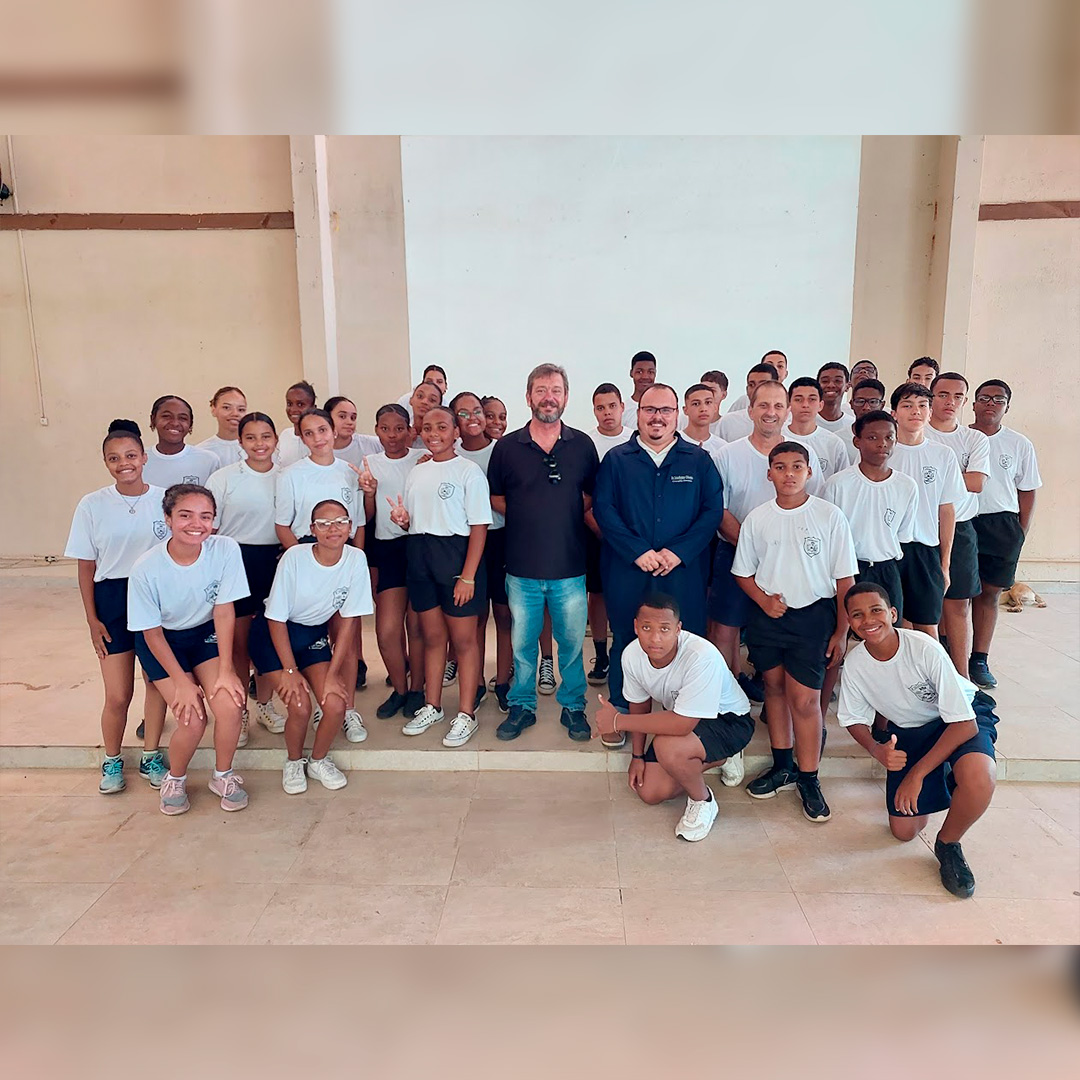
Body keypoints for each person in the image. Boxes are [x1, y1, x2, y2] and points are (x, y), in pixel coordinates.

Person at [839, 582, 998, 897]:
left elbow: (964, 725)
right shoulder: (856, 665)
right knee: (904, 831)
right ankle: (945, 771)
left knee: (980, 778)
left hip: (959, 716)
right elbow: (852, 718)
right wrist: (876, 749)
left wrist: (917, 774)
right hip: (912, 729)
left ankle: (949, 844)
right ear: (849, 622)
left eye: (875, 610)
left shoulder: (923, 647)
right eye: (857, 615)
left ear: (892, 613)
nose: (868, 620)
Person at [593, 384, 726, 761]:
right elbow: (604, 509)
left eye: (665, 410)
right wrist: (637, 551)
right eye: (650, 410)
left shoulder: (698, 461)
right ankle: (620, 711)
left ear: (677, 414)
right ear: (637, 413)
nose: (657, 417)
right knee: (626, 637)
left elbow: (711, 512)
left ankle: (684, 714)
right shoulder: (617, 460)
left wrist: (677, 552)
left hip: (682, 570)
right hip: (628, 568)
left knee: (685, 640)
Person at [733, 442, 857, 821]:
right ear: (769, 473)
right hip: (769, 617)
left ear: (809, 471)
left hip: (813, 618)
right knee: (773, 688)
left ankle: (809, 777)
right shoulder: (758, 518)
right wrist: (764, 600)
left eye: (797, 466)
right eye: (781, 467)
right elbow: (743, 572)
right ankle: (783, 765)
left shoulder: (829, 516)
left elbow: (845, 580)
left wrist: (841, 631)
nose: (789, 474)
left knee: (804, 701)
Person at [488, 363, 599, 741]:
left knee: (571, 645)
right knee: (522, 646)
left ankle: (574, 707)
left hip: (569, 567)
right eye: (541, 390)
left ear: (566, 397)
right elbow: (496, 496)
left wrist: (558, 512)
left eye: (555, 390)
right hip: (521, 569)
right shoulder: (507, 448)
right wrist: (529, 514)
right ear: (528, 397)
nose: (548, 397)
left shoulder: (582, 446)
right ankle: (522, 706)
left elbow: (591, 495)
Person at [127, 484, 250, 815]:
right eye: (185, 515)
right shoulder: (146, 568)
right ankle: (175, 778)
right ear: (167, 518)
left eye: (205, 516)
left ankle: (223, 776)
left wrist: (226, 669)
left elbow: (224, 611)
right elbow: (151, 633)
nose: (196, 524)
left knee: (230, 705)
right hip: (163, 643)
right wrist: (182, 682)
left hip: (203, 636)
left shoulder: (225, 550)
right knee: (192, 718)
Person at [591, 594, 754, 841]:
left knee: (667, 747)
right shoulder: (632, 655)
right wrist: (637, 756)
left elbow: (682, 724)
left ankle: (703, 801)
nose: (655, 638)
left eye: (664, 629)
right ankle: (717, 758)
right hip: (686, 717)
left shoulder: (701, 655)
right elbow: (639, 704)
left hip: (730, 721)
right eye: (647, 628)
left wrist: (617, 721)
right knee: (650, 791)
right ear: (636, 626)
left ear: (678, 629)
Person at [65, 420, 169, 794]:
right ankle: (111, 760)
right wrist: (92, 619)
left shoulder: (165, 499)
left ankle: (151, 755)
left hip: (155, 597)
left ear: (144, 458)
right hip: (112, 599)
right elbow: (86, 567)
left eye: (130, 455)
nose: (124, 463)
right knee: (118, 693)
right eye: (114, 458)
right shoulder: (92, 505)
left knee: (156, 683)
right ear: (106, 463)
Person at [250, 499, 374, 794]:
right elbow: (276, 619)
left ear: (350, 526)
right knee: (300, 706)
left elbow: (348, 621)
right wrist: (290, 671)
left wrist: (332, 674)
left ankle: (318, 760)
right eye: (324, 524)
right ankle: (294, 761)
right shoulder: (295, 557)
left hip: (311, 635)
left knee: (335, 703)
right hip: (273, 636)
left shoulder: (356, 559)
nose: (333, 529)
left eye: (340, 522)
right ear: (312, 530)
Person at [707, 381, 826, 675]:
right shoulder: (726, 455)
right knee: (725, 628)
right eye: (763, 405)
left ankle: (770, 688)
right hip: (734, 551)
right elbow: (719, 509)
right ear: (750, 410)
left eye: (777, 406)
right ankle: (728, 693)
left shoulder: (804, 454)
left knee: (778, 627)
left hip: (791, 557)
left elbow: (816, 506)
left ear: (787, 411)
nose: (770, 412)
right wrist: (751, 548)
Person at [390, 406, 491, 747]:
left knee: (463, 641)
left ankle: (466, 713)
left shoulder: (468, 472)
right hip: (420, 558)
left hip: (456, 559)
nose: (434, 433)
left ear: (456, 432)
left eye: (442, 427)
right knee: (433, 637)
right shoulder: (417, 471)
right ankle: (432, 705)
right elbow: (419, 518)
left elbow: (479, 526)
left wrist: (468, 576)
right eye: (428, 427)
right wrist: (404, 520)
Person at [274, 406, 367, 741]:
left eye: (323, 430)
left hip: (343, 554)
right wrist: (305, 560)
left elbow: (358, 523)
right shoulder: (291, 475)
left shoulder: (349, 472)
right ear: (301, 438)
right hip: (307, 554)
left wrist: (354, 561)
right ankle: (320, 702)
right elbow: (282, 525)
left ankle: (349, 708)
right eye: (309, 433)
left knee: (347, 637)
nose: (318, 438)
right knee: (312, 635)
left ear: (334, 431)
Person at [206, 412, 287, 743]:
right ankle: (239, 712)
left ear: (276, 440)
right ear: (240, 442)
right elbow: (210, 530)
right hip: (235, 562)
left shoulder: (288, 477)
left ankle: (265, 703)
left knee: (266, 639)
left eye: (266, 436)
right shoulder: (223, 479)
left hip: (275, 561)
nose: (259, 444)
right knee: (238, 643)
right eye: (251, 437)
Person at [968, 380, 1042, 689]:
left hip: (1001, 525)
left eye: (998, 399)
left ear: (1007, 407)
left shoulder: (1019, 444)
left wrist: (1019, 532)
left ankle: (979, 659)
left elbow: (1028, 490)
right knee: (955, 595)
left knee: (990, 593)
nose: (991, 404)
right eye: (984, 398)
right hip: (963, 521)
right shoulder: (961, 438)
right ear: (973, 403)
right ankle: (948, 654)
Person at [355, 404, 427, 719]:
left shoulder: (422, 459)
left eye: (399, 428)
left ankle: (418, 689)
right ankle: (399, 688)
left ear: (410, 430)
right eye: (385, 429)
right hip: (387, 549)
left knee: (418, 625)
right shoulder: (369, 464)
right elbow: (367, 516)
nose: (393, 435)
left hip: (419, 546)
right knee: (386, 631)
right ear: (377, 431)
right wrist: (369, 493)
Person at [450, 391, 513, 713]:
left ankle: (502, 682)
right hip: (465, 543)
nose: (472, 418)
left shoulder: (502, 451)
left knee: (503, 614)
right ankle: (474, 683)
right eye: (463, 413)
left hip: (501, 539)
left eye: (477, 411)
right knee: (474, 617)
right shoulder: (450, 455)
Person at [925, 372, 992, 676]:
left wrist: (933, 476)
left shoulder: (974, 439)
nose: (949, 402)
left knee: (957, 603)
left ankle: (962, 676)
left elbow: (976, 482)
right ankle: (925, 672)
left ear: (965, 401)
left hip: (961, 527)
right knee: (920, 606)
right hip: (921, 528)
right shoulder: (918, 432)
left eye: (957, 396)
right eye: (943, 395)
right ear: (931, 396)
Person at [889, 382, 966, 640]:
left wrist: (945, 563)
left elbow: (947, 511)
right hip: (889, 549)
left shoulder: (943, 455)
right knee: (895, 625)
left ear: (930, 412)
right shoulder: (882, 452)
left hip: (925, 549)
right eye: (907, 405)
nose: (916, 411)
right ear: (894, 412)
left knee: (927, 625)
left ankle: (932, 668)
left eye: (923, 405)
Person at [823, 411, 918, 621]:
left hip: (887, 569)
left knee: (888, 629)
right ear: (857, 441)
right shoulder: (838, 484)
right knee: (845, 628)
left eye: (889, 437)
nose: (882, 444)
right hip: (848, 569)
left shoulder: (907, 486)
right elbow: (827, 536)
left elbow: (903, 535)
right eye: (872, 437)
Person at [584, 383, 633, 689]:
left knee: (631, 594)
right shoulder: (586, 443)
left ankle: (629, 655)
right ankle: (601, 655)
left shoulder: (635, 439)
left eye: (612, 406)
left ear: (622, 407)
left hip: (632, 536)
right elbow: (582, 496)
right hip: (597, 533)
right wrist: (602, 531)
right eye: (600, 408)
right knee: (598, 593)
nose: (607, 413)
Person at [141, 395, 219, 489]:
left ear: (190, 424)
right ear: (153, 419)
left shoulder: (208, 460)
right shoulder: (140, 460)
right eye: (166, 416)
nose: (175, 423)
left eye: (182, 418)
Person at [783, 377, 849, 481]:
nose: (805, 405)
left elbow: (843, 482)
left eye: (812, 399)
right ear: (789, 404)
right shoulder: (778, 437)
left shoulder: (834, 443)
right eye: (798, 400)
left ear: (820, 405)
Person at [715, 361, 780, 442]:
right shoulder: (728, 422)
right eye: (751, 385)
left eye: (762, 384)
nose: (756, 389)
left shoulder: (786, 422)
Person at [197, 386, 248, 472]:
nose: (235, 414)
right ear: (213, 410)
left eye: (241, 409)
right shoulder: (202, 451)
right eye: (226, 408)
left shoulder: (255, 449)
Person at [325, 395, 383, 466]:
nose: (349, 422)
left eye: (353, 418)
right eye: (342, 416)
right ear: (327, 418)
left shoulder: (373, 444)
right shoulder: (318, 449)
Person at [840, 378, 888, 463]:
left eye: (873, 402)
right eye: (860, 401)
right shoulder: (838, 439)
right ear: (851, 404)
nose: (866, 407)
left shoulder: (889, 441)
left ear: (882, 405)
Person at [278, 381, 317, 468]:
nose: (293, 409)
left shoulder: (318, 438)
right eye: (289, 404)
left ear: (313, 408)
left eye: (300, 404)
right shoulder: (285, 435)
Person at [679, 383, 725, 453]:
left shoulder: (722, 448)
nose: (703, 409)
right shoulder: (672, 442)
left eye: (708, 402)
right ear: (685, 410)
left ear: (715, 407)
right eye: (696, 404)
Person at [621, 351, 657, 430]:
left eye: (650, 372)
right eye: (639, 372)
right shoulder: (623, 410)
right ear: (631, 373)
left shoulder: (664, 408)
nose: (645, 376)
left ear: (655, 373)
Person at [815, 363, 852, 434]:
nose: (831, 385)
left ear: (847, 386)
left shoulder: (852, 425)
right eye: (825, 381)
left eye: (837, 381)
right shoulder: (804, 420)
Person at [406, 381, 444, 447]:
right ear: (411, 400)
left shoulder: (443, 437)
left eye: (432, 400)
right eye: (420, 396)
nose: (424, 402)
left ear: (439, 406)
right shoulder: (402, 433)